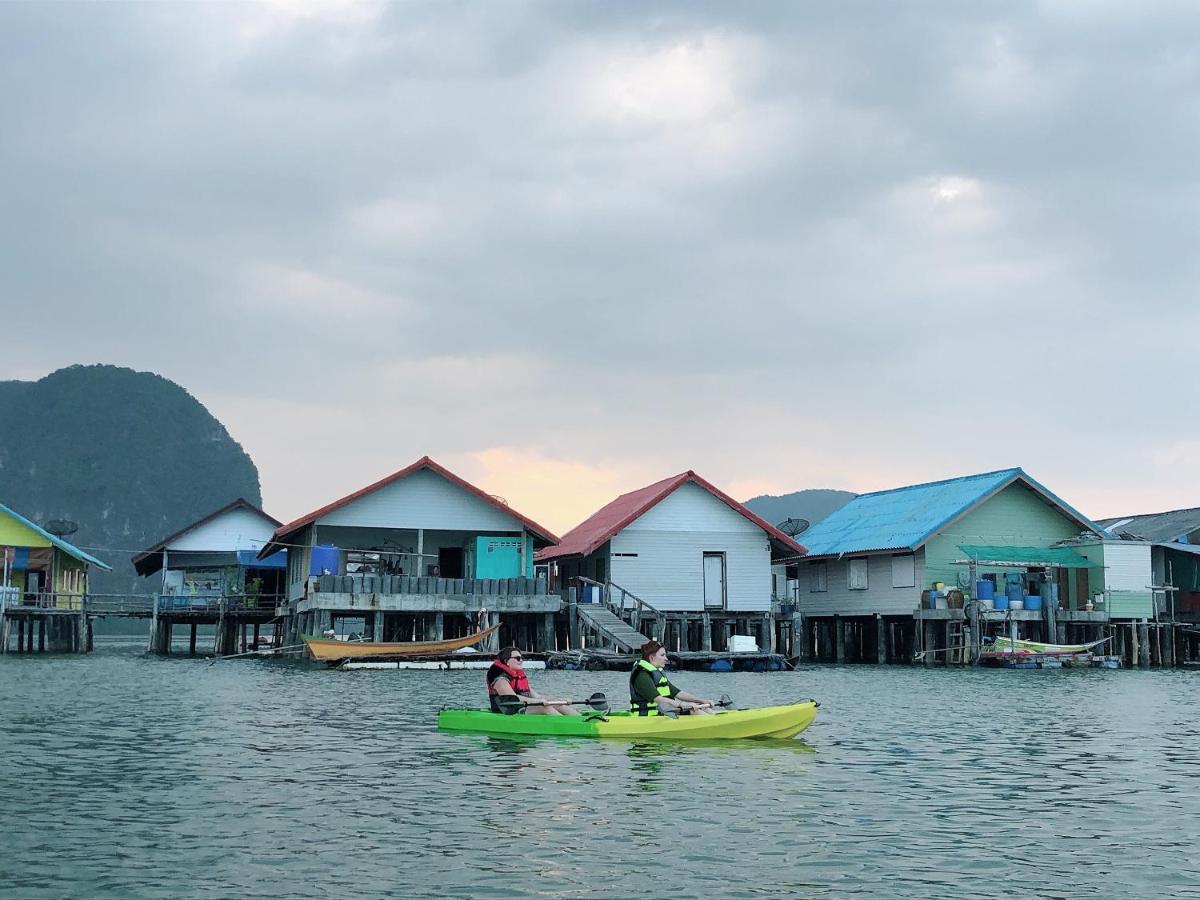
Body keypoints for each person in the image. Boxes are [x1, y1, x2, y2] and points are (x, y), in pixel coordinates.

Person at [630, 640, 715, 716]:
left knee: (704, 708)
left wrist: (702, 701)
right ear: (652, 657)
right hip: (649, 716)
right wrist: (682, 704)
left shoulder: (657, 673)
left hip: (663, 712)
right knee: (694, 711)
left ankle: (718, 724)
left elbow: (677, 693)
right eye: (662, 655)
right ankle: (713, 727)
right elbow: (658, 699)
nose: (666, 659)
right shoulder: (641, 675)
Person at [486, 647, 579, 716]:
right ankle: (567, 725)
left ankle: (579, 719)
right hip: (509, 712)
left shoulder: (518, 676)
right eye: (518, 658)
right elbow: (513, 698)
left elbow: (538, 696)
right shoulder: (500, 680)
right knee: (543, 707)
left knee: (556, 703)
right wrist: (537, 701)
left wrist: (561, 700)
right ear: (507, 661)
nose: (521, 660)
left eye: (522, 658)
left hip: (525, 708)